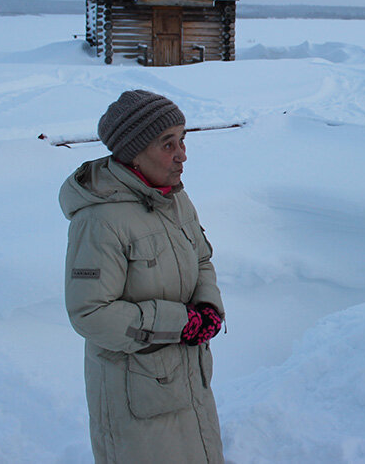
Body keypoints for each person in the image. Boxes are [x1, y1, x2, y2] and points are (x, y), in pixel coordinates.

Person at [60, 89, 225, 463]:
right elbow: (89, 313)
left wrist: (208, 306)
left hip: (188, 380)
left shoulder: (174, 198)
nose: (182, 154)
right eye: (168, 144)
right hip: (135, 397)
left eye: (182, 140)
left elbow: (202, 259)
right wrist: (181, 324)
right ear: (133, 152)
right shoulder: (99, 220)